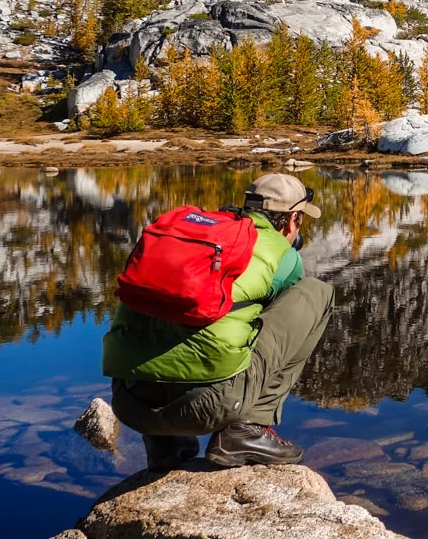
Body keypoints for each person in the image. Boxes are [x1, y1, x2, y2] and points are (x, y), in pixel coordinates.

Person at [102, 173, 334, 470]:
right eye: (300, 222)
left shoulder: (189, 235)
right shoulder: (281, 254)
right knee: (317, 293)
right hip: (206, 408)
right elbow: (274, 329)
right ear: (292, 221)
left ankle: (164, 443)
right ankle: (248, 428)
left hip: (130, 405)